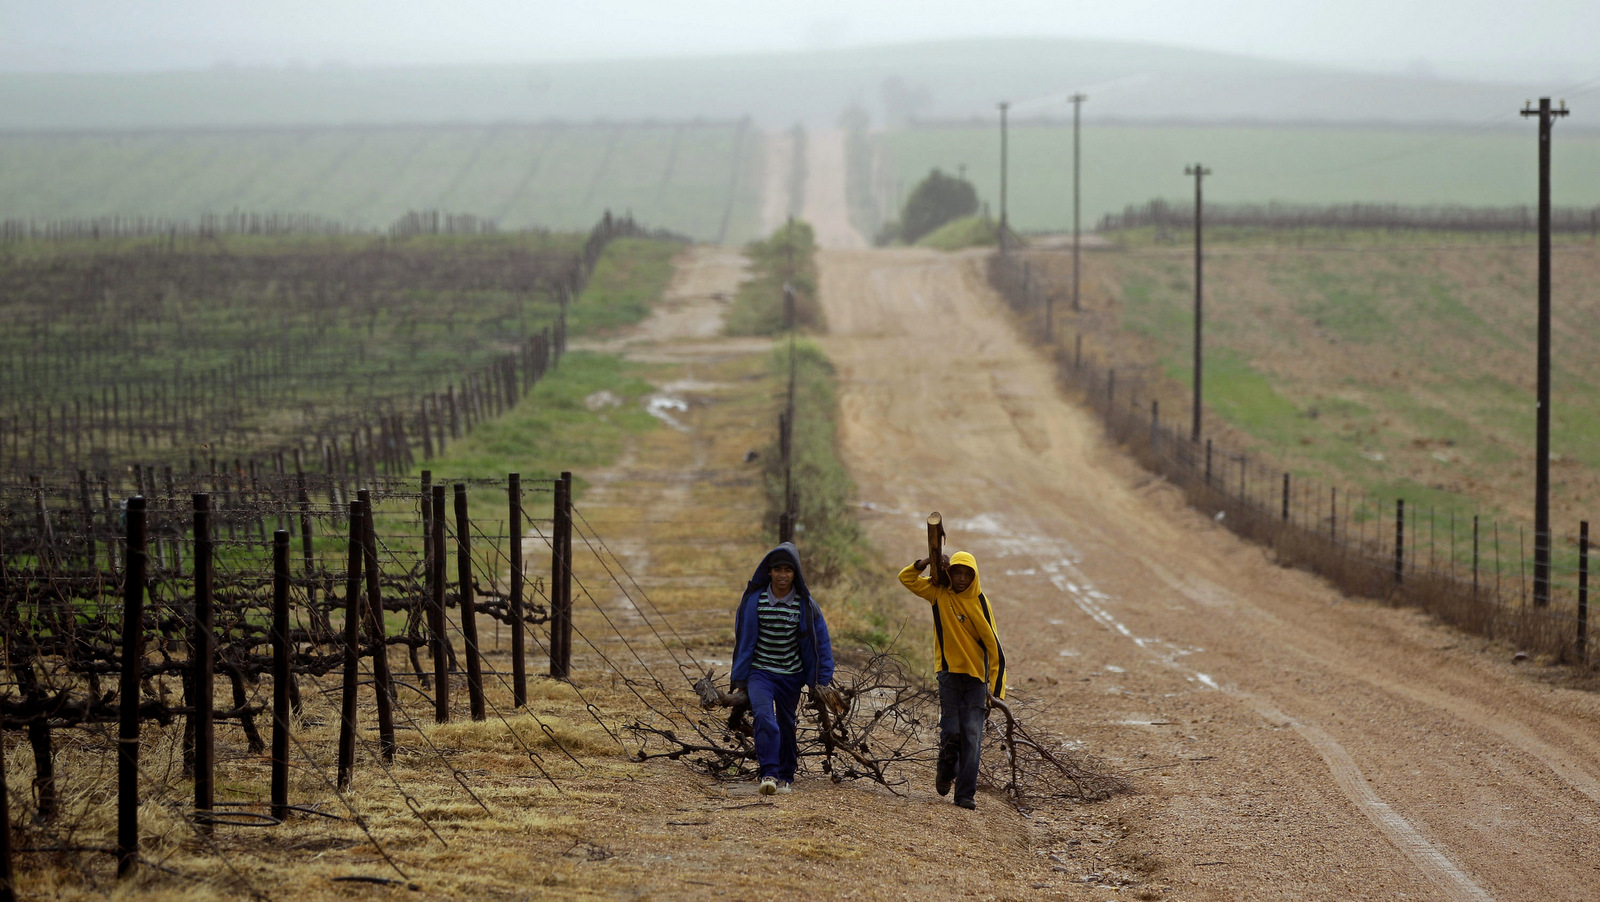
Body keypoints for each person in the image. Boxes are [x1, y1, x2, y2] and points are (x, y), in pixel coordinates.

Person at [898, 550, 1006, 810]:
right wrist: (927, 562)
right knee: (951, 732)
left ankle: (965, 795)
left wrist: (996, 690)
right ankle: (946, 772)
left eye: (967, 574)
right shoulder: (938, 594)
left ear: (974, 577)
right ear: (949, 572)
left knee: (972, 736)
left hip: (976, 681)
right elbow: (906, 578)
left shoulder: (980, 603)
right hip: (948, 675)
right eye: (956, 572)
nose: (961, 578)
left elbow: (995, 648)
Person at [730, 542, 835, 795]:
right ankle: (768, 773)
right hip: (760, 673)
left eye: (788, 570)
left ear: (795, 574)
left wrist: (822, 679)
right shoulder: (754, 601)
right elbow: (742, 638)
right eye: (777, 569)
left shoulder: (805, 606)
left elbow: (821, 641)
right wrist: (741, 676)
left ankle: (787, 774)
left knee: (787, 723)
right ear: (769, 572)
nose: (782, 575)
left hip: (791, 675)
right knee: (765, 718)